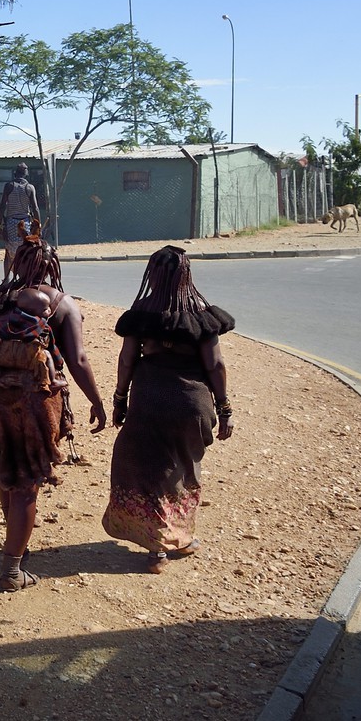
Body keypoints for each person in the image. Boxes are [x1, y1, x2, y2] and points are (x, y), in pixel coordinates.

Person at [0, 223, 106, 591]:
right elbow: (79, 360)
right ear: (52, 266)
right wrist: (98, 402)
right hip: (36, 406)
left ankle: (16, 550)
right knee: (26, 487)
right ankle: (11, 569)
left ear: (16, 263)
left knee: (6, 473)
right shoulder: (62, 304)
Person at [103, 246, 236, 574]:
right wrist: (225, 408)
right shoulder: (203, 315)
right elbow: (215, 365)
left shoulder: (142, 313)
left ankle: (156, 550)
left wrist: (120, 400)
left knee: (149, 470)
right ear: (186, 274)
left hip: (149, 401)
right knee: (182, 469)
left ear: (152, 274)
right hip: (192, 405)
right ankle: (180, 538)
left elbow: (127, 360)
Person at [0, 163, 41, 280]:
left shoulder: (9, 186)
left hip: (11, 223)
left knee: (8, 252)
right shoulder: (30, 188)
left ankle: (6, 279)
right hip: (25, 224)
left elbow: (2, 206)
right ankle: (24, 277)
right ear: (25, 174)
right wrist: (38, 225)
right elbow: (35, 208)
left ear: (15, 173)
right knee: (25, 252)